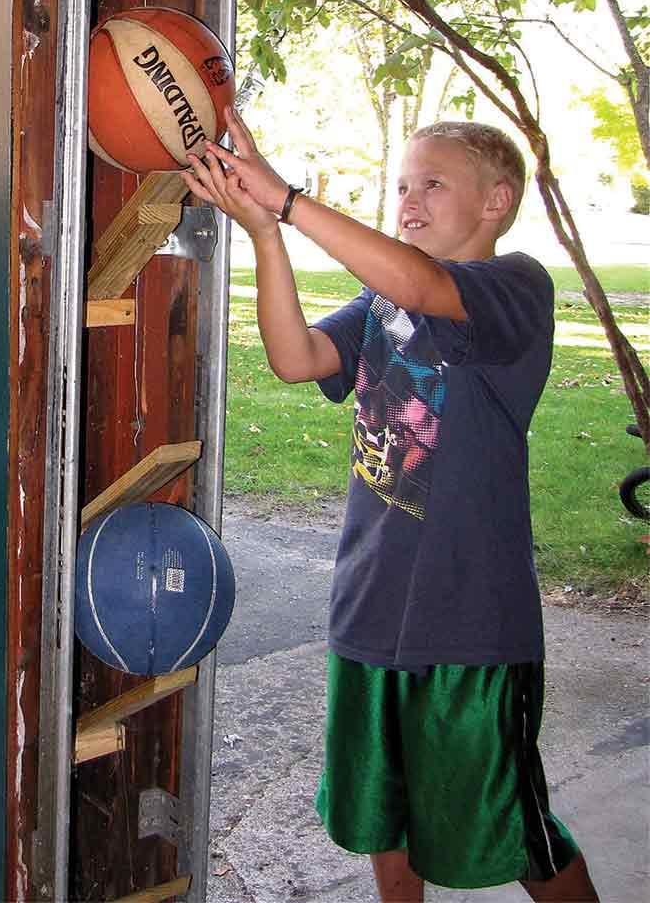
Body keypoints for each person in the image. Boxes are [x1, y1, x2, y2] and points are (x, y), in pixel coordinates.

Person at [183, 108, 599, 903]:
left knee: (517, 830)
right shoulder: (380, 304)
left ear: (496, 201)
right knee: (383, 819)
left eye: (433, 184)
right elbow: (296, 358)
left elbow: (427, 286)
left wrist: (289, 202)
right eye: (401, 185)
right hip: (369, 612)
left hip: (471, 631)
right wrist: (267, 236)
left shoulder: (516, 288)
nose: (408, 199)